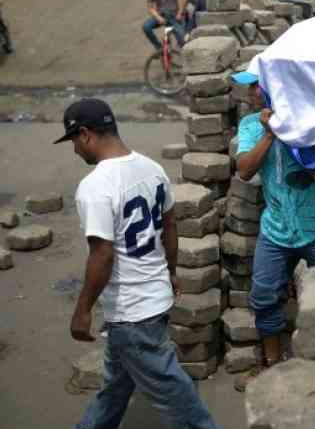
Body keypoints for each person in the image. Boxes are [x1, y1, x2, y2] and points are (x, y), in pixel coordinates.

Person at [58, 98, 219, 429]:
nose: (75, 150)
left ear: (86, 134)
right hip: (154, 300)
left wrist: (83, 310)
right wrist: (170, 272)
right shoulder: (152, 168)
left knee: (178, 399)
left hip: (133, 312)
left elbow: (102, 254)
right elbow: (170, 225)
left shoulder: (95, 186)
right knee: (115, 388)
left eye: (74, 140)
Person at [230, 71, 315, 390]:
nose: (250, 93)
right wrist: (269, 134)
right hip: (276, 227)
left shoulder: (307, 116)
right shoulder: (251, 125)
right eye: (248, 88)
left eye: (255, 87)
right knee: (264, 295)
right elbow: (245, 170)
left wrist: (289, 127)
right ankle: (271, 363)